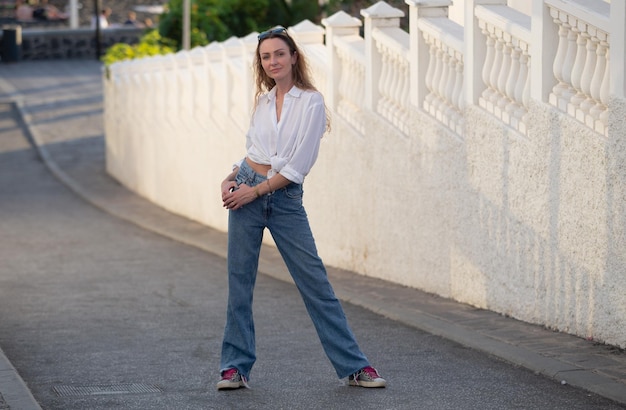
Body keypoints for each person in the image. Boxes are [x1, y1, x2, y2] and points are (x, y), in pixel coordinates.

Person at [217, 26, 386, 391]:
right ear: (261, 64)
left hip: (283, 200)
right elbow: (252, 149)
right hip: (245, 189)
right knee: (239, 284)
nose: (273, 61)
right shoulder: (262, 102)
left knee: (315, 284)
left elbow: (296, 167)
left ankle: (356, 366)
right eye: (266, 56)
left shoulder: (310, 101)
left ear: (294, 56)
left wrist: (255, 192)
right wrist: (231, 177)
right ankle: (234, 368)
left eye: (279, 53)